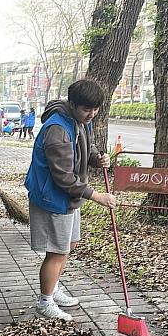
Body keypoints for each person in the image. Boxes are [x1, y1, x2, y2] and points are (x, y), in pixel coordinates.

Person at [24, 79, 116, 321]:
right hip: (52, 197)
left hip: (69, 198)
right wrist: (96, 196)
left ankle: (53, 288)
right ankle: (45, 301)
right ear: (72, 104)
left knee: (69, 245)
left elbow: (89, 145)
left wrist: (97, 158)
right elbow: (63, 177)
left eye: (95, 109)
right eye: (87, 110)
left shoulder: (79, 120)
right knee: (57, 251)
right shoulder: (57, 130)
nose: (92, 114)